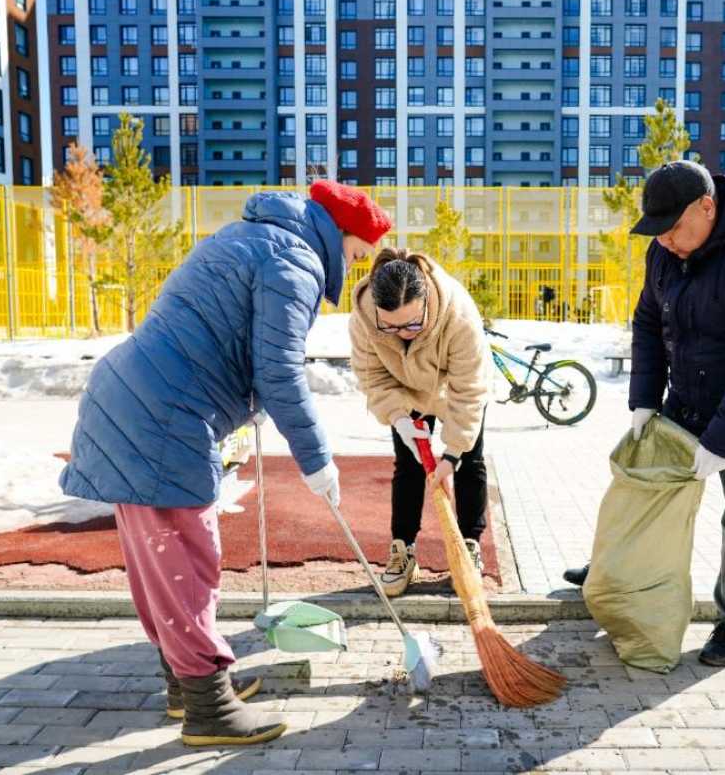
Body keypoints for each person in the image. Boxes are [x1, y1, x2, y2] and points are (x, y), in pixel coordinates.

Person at [58, 180, 390, 745]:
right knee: (189, 560)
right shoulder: (297, 261)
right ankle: (209, 710)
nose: (356, 267)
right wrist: (317, 460)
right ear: (340, 234)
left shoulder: (248, 236)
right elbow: (280, 370)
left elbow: (217, 331)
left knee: (161, 563)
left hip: (136, 398)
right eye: (358, 253)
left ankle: (185, 686)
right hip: (163, 416)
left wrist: (243, 400)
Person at [563, 160, 725, 668]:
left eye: (673, 229)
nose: (665, 241)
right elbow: (648, 320)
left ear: (707, 207)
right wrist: (645, 398)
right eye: (659, 231)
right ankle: (619, 572)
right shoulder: (665, 253)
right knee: (647, 492)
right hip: (685, 405)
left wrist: (723, 443)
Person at [349, 249, 493, 597]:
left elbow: (469, 391)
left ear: (426, 299)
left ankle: (468, 546)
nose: (403, 334)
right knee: (409, 467)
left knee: (470, 462)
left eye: (413, 324)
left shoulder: (459, 315)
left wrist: (452, 453)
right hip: (405, 393)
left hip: (453, 390)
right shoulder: (364, 319)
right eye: (392, 326)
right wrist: (398, 418)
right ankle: (403, 548)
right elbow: (372, 379)